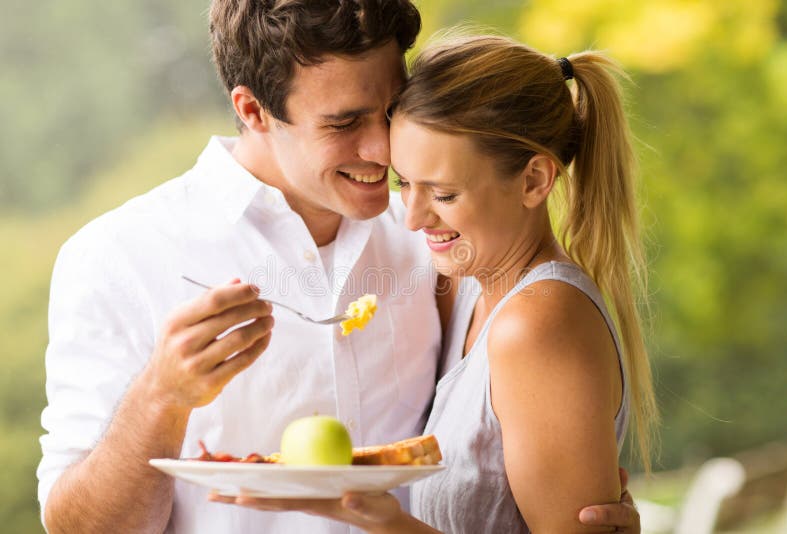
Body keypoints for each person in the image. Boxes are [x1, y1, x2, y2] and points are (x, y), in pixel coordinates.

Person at [37, 1, 641, 532]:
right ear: (253, 111)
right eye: (346, 122)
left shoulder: (438, 244)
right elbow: (80, 529)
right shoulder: (119, 256)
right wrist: (160, 399)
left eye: (390, 110)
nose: (382, 151)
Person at [211, 33, 657, 533]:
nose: (413, 218)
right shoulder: (469, 293)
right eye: (405, 183)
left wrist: (390, 524)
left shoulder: (535, 326)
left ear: (534, 181)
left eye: (443, 194)